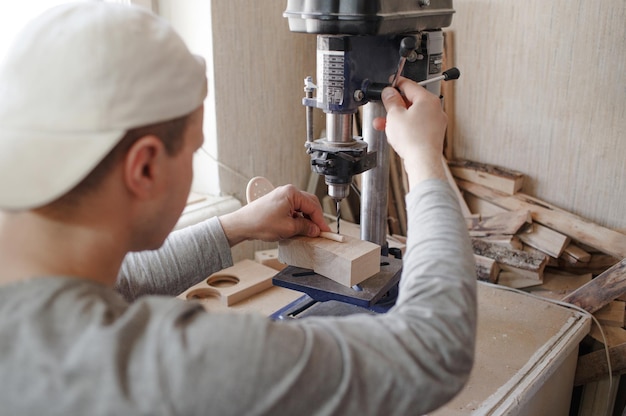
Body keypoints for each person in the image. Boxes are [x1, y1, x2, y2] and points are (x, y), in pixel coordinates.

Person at [0, 2, 476, 415]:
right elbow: (434, 352)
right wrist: (424, 159)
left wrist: (237, 226)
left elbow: (124, 282)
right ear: (144, 168)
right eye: (192, 150)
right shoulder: (162, 367)